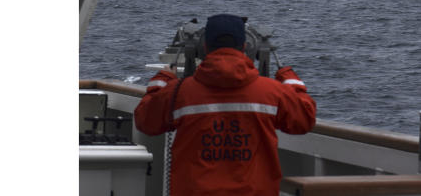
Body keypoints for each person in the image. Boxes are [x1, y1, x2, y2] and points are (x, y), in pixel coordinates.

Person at [134, 14, 316, 196]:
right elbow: (304, 120)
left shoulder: (179, 92)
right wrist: (290, 79)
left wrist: (163, 79)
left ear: (204, 47)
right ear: (244, 47)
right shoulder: (272, 92)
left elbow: (146, 121)